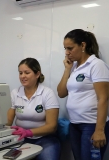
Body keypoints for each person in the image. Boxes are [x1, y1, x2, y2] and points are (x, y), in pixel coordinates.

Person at [57, 29, 109, 160]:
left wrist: (99, 130)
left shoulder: (96, 65)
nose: (66, 53)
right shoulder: (74, 67)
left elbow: (103, 98)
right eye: (65, 48)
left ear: (83, 45)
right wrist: (67, 69)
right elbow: (61, 93)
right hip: (75, 123)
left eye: (70, 48)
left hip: (91, 124)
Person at [7, 58, 60, 160]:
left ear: (37, 74)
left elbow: (52, 126)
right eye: (20, 73)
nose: (23, 76)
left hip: (45, 139)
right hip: (21, 139)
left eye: (27, 73)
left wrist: (28, 132)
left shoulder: (47, 93)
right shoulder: (15, 93)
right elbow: (7, 121)